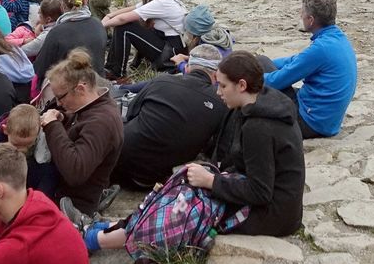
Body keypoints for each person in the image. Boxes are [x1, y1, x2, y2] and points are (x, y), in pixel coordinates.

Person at [82, 51, 305, 252]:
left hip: (273, 213)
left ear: (242, 85)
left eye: (223, 86)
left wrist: (211, 181)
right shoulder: (259, 102)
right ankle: (114, 227)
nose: (218, 92)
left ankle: (97, 239)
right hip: (267, 197)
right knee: (183, 188)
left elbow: (260, 191)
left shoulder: (259, 127)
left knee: (184, 210)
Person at [113, 44, 227, 189]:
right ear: (216, 75)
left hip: (119, 166)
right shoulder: (221, 102)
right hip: (159, 179)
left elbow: (130, 114)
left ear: (187, 67)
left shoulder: (162, 81)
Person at [41, 49, 124, 221]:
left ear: (80, 89)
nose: (58, 103)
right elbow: (80, 126)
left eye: (60, 97)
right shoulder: (95, 106)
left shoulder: (101, 123)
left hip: (71, 204)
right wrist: (64, 119)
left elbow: (75, 171)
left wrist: (53, 126)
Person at [263, 0, 358, 139]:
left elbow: (275, 81)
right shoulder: (336, 38)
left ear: (311, 19)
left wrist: (243, 77)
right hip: (326, 121)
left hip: (311, 123)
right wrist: (264, 62)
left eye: (302, 13)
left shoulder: (321, 49)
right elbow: (296, 60)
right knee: (262, 62)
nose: (301, 16)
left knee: (254, 89)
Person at [102, 0, 187, 80]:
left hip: (168, 54)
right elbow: (133, 8)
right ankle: (113, 67)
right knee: (130, 23)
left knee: (125, 27)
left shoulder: (162, 2)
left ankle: (117, 73)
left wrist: (100, 26)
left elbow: (123, 19)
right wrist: (109, 16)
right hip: (169, 46)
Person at [31, 0, 106, 84]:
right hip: (98, 83)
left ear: (62, 6)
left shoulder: (57, 32)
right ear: (86, 1)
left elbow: (39, 69)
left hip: (71, 89)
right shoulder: (98, 24)